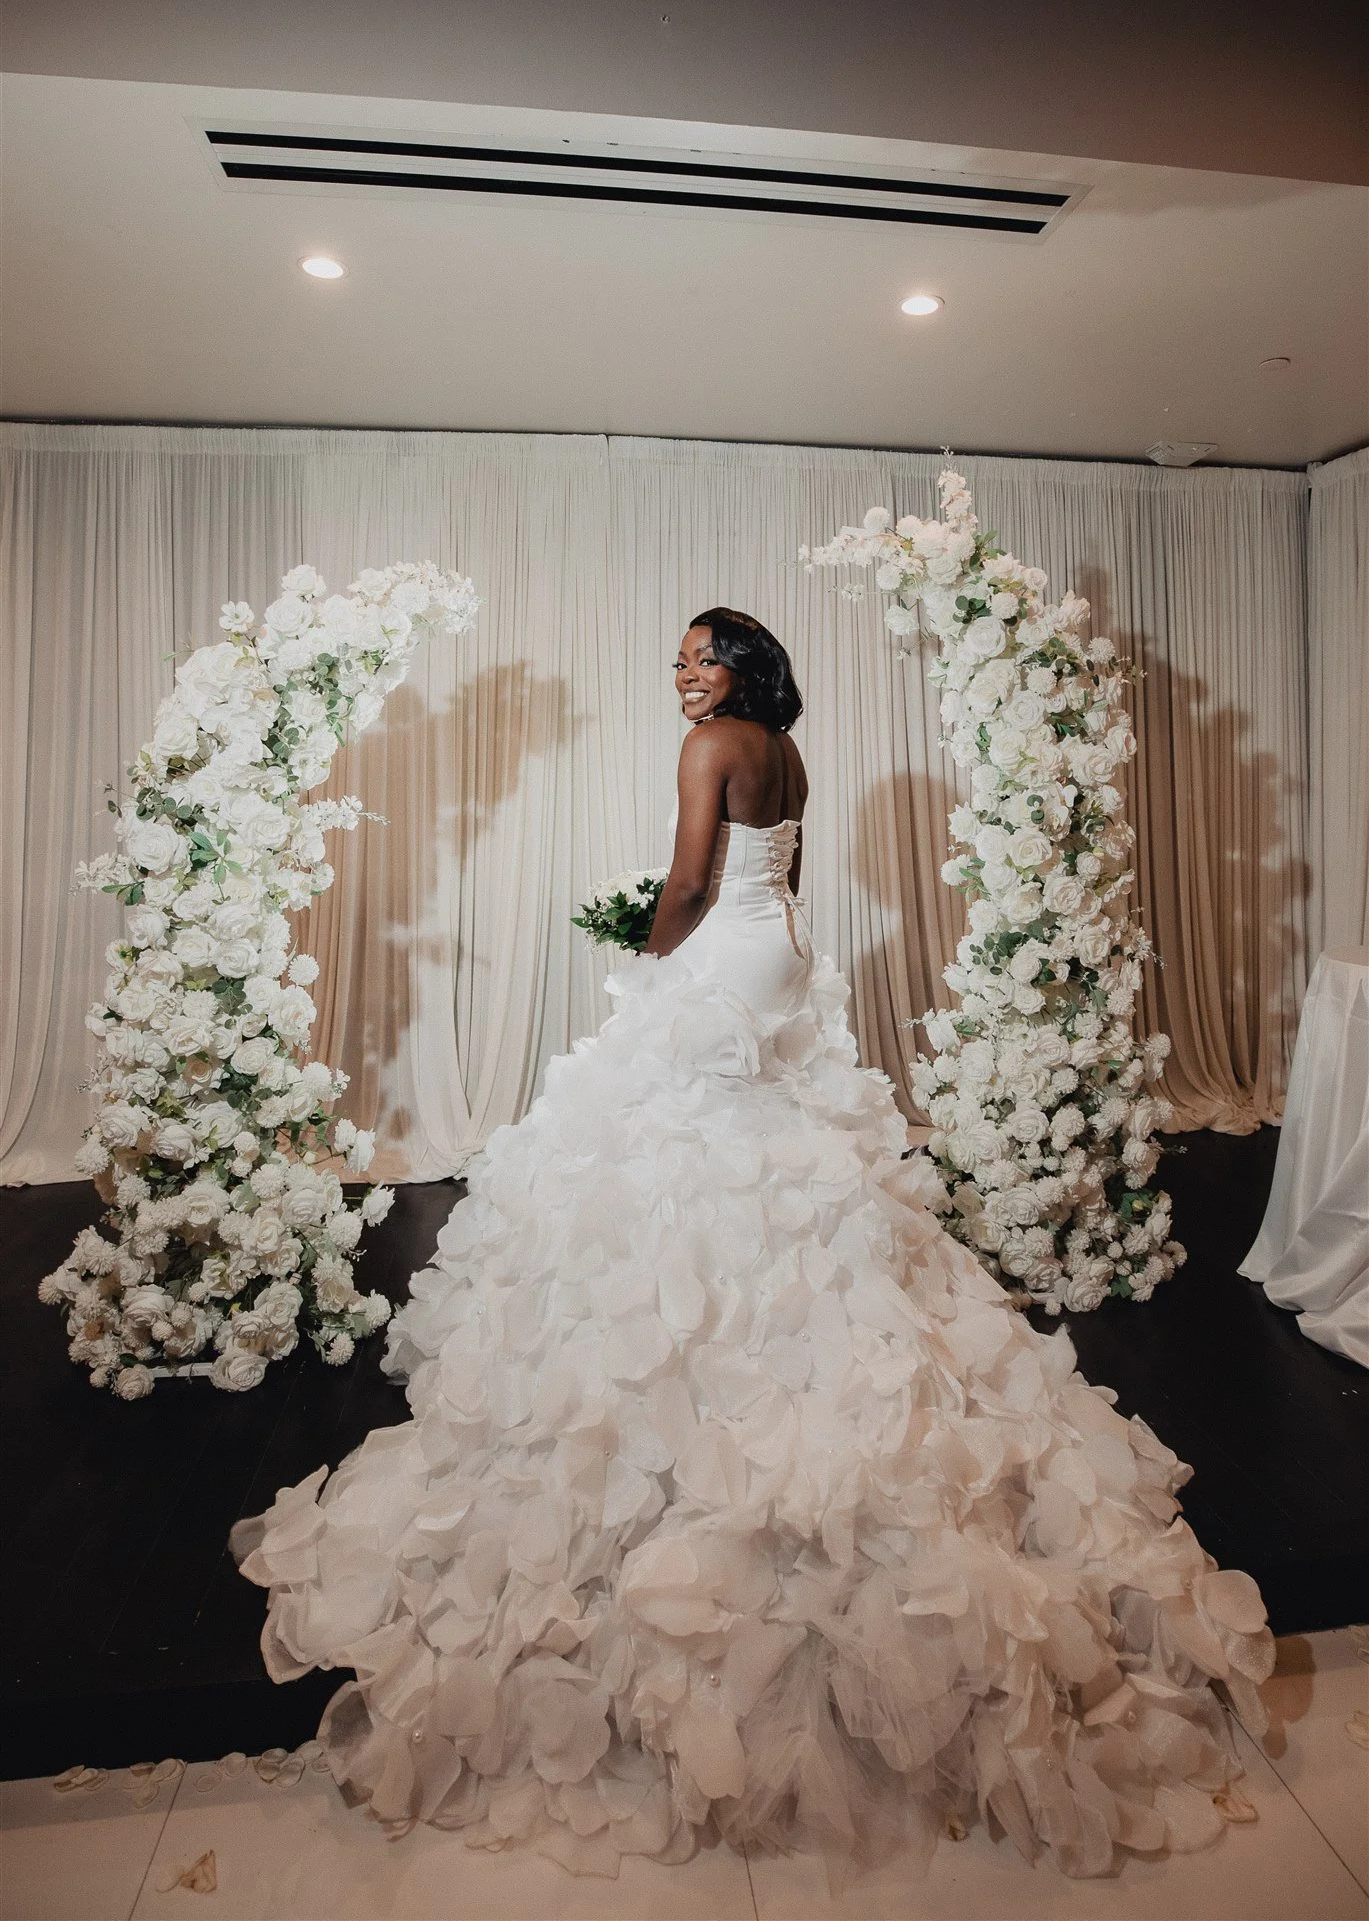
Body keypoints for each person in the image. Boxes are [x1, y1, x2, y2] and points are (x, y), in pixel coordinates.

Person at [232, 609, 1272, 1880]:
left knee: (675, 1135)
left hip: (723, 948)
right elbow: (781, 870)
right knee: (761, 1127)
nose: (682, 674)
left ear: (742, 669)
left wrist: (650, 956)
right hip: (779, 945)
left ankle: (703, 1317)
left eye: (701, 656)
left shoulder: (710, 746)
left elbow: (685, 882)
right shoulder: (783, 748)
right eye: (676, 659)